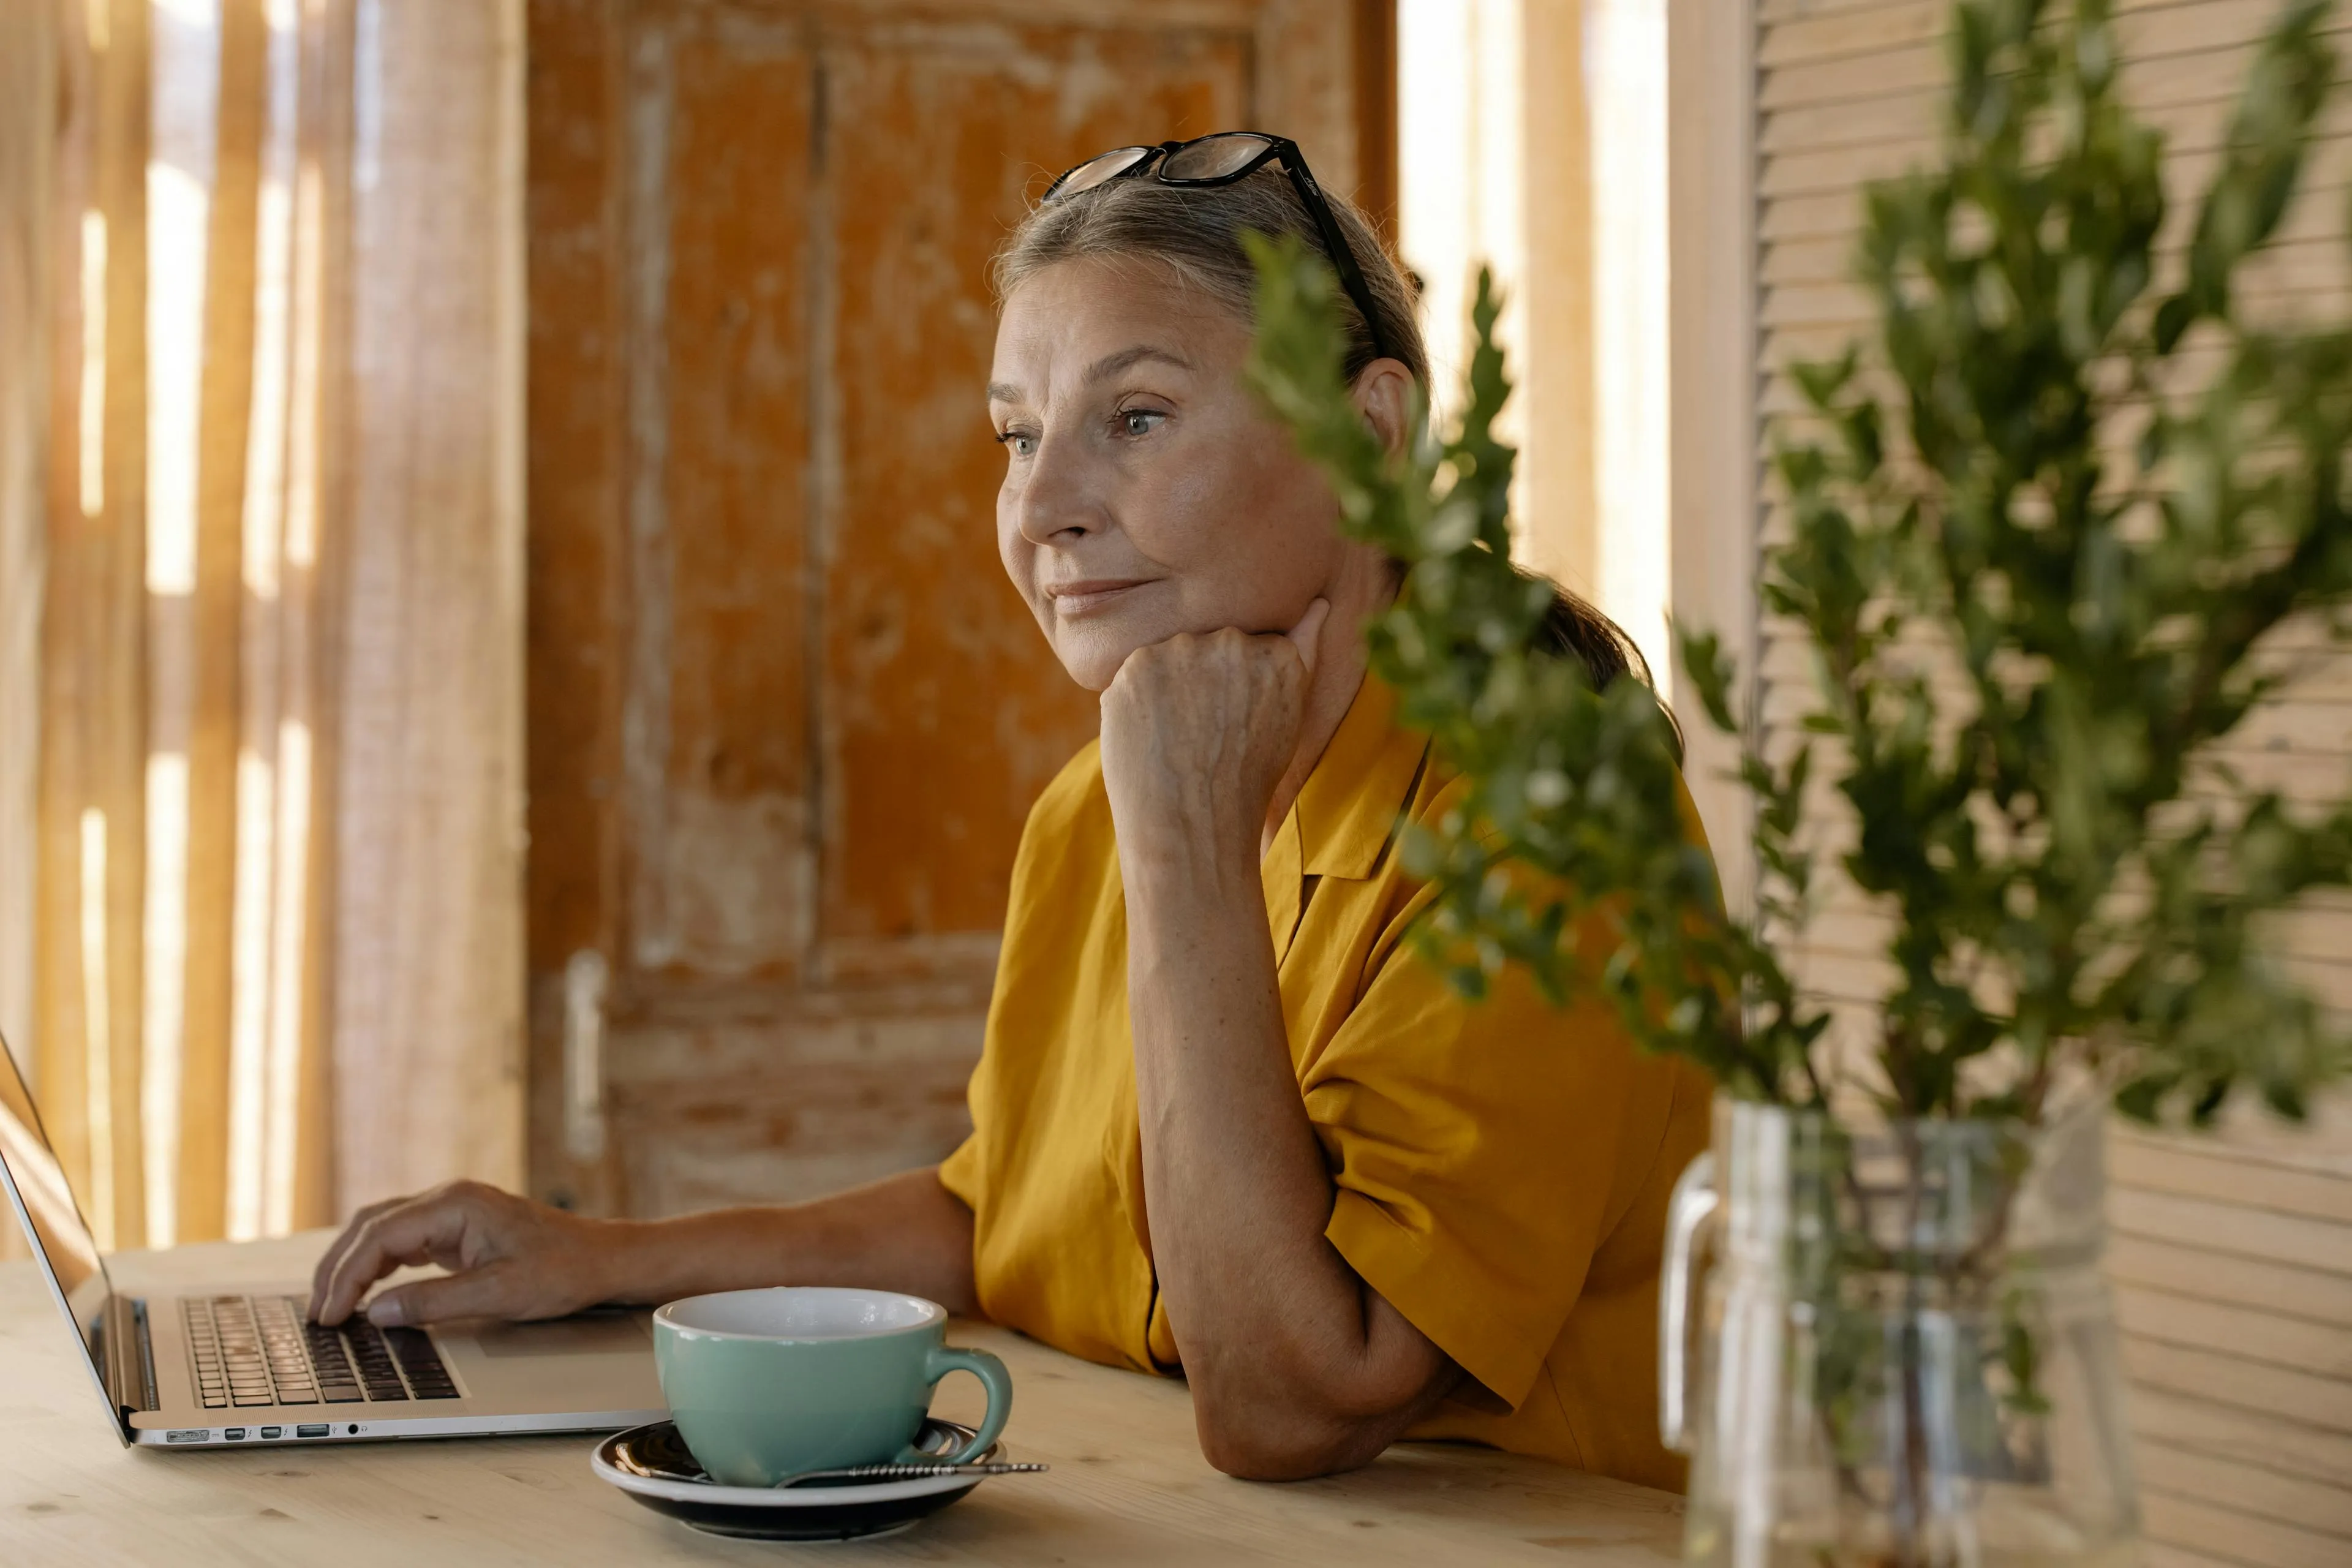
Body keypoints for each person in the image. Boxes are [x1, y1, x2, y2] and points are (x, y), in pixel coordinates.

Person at [309, 133, 1713, 1491]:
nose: (1040, 503)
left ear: (1370, 432)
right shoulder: (1098, 803)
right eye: (1017, 433)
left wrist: (1183, 854)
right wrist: (594, 1254)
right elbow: (1008, 1217)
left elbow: (1298, 1394)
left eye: (1137, 417)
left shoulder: (1546, 829)